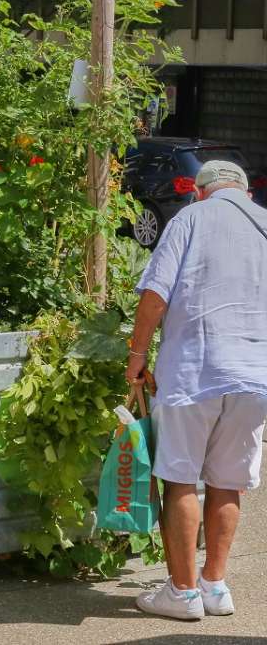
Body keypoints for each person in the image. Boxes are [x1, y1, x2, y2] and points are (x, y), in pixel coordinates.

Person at [126, 159, 267, 621]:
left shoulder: (190, 218)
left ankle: (183, 593)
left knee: (180, 477)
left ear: (200, 192)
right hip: (256, 377)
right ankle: (215, 585)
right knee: (229, 483)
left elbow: (155, 294)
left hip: (195, 370)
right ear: (245, 193)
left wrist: (137, 356)